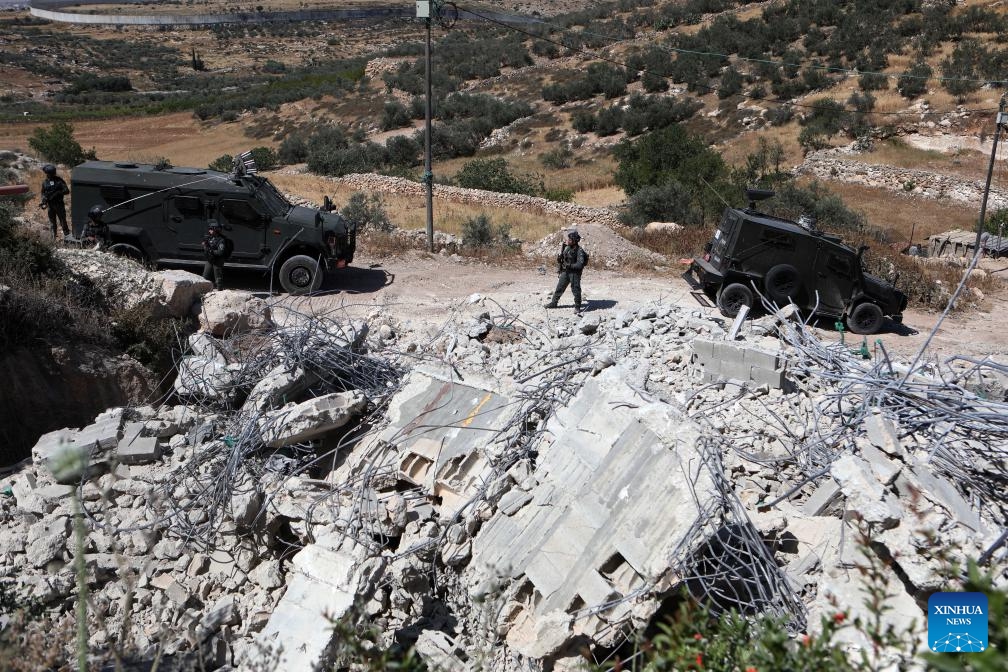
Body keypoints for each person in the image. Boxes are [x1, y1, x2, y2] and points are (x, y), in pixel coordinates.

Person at [545, 230, 589, 315]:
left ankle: (577, 306)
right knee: (559, 287)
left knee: (575, 289)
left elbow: (580, 265)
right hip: (565, 271)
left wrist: (570, 265)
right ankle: (554, 303)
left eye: (570, 240)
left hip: (574, 273)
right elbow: (564, 259)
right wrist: (560, 260)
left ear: (575, 241)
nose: (568, 241)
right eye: (568, 239)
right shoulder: (567, 248)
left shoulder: (579, 251)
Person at [39, 164, 70, 240]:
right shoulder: (45, 182)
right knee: (52, 223)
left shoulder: (59, 181)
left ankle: (67, 237)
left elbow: (66, 191)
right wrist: (43, 200)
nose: (47, 175)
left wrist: (58, 193)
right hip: (50, 205)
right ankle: (53, 238)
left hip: (59, 205)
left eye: (47, 173)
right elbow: (43, 192)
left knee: (63, 222)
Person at [201, 220, 232, 290]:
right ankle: (202, 290)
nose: (209, 231)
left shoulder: (221, 240)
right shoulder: (209, 237)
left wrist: (211, 251)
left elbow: (220, 252)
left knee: (218, 277)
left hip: (218, 260)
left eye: (211, 229)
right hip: (210, 259)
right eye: (209, 229)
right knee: (205, 276)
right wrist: (205, 245)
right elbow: (205, 247)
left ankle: (219, 291)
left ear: (216, 230)